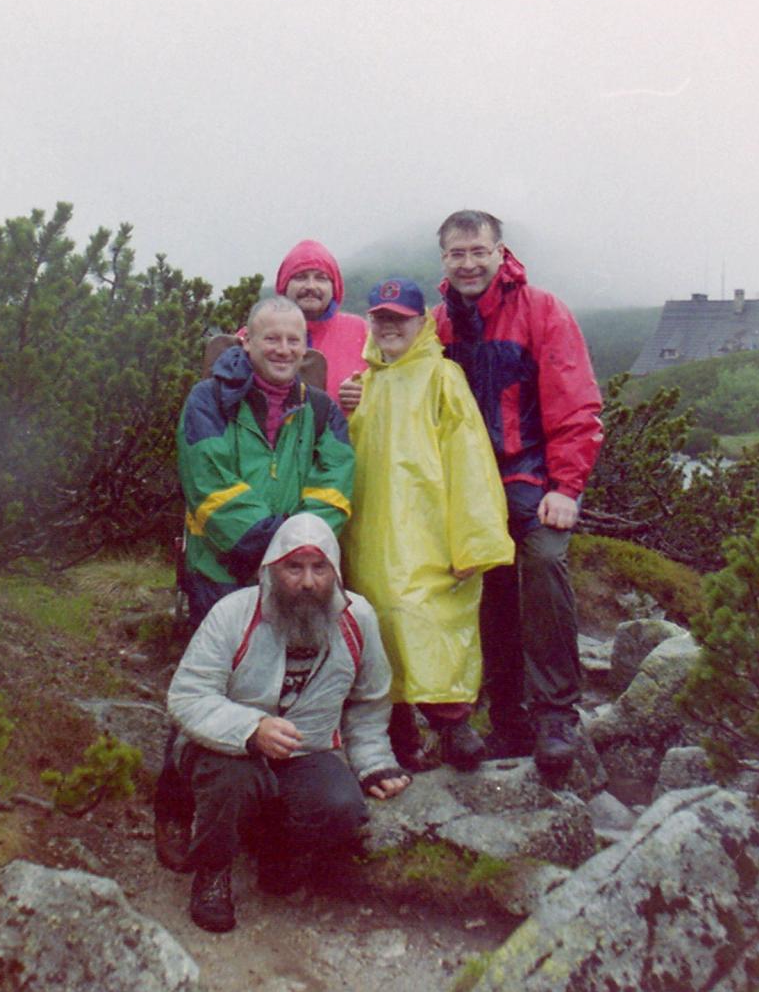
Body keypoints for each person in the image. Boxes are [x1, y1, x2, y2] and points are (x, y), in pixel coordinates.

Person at [166, 513, 411, 933]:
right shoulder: (233, 614)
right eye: (294, 567)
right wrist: (251, 729)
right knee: (232, 780)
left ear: (335, 571)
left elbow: (369, 699)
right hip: (225, 748)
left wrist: (373, 762)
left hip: (306, 750)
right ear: (271, 569)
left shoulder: (358, 619)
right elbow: (187, 695)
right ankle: (212, 872)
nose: (308, 581)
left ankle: (278, 852)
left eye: (319, 568)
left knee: (342, 806)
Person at [431, 210, 604, 782]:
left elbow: (575, 402)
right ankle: (507, 717)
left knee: (545, 564)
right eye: (457, 254)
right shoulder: (437, 326)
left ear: (501, 253)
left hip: (530, 477)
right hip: (468, 488)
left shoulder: (542, 310)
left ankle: (556, 716)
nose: (468, 264)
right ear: (443, 260)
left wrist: (567, 487)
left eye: (478, 251)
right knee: (489, 590)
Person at [344, 277, 514, 772]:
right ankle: (399, 736)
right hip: (370, 535)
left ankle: (452, 724)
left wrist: (474, 543)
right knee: (378, 627)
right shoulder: (362, 384)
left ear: (421, 322)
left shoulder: (443, 377)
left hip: (430, 534)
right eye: (381, 318)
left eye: (400, 318)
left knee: (428, 620)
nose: (389, 327)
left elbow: (470, 461)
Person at [177, 294, 356, 625]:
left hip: (297, 577)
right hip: (220, 572)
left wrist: (297, 551)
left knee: (296, 658)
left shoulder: (323, 410)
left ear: (305, 346)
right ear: (247, 341)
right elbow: (209, 484)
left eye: (293, 340)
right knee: (226, 657)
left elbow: (334, 489)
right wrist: (281, 545)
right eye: (271, 339)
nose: (283, 350)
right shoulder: (208, 400)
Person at [275, 239, 370, 410]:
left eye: (321, 278)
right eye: (300, 277)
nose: (311, 286)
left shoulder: (362, 331)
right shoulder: (256, 334)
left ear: (335, 287)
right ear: (284, 286)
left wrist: (369, 393)